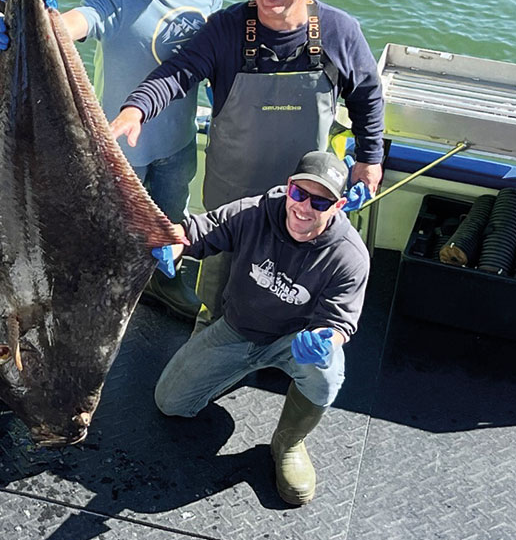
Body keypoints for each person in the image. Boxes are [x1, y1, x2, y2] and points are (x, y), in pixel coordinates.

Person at [113, 0, 383, 330]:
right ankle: (211, 341)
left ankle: (283, 353)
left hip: (306, 202)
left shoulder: (339, 32)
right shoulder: (228, 28)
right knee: (218, 294)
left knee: (295, 294)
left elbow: (367, 95)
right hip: (231, 200)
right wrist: (137, 108)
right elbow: (179, 72)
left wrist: (370, 158)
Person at [151, 151, 369, 506]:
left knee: (328, 370)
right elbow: (201, 230)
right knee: (170, 402)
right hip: (238, 329)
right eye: (299, 194)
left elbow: (341, 321)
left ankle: (288, 442)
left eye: (320, 200)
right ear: (288, 188)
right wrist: (175, 244)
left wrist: (327, 339)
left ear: (339, 204)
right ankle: (235, 369)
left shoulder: (350, 256)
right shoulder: (256, 212)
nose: (304, 207)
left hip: (294, 342)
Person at [53, 0, 224, 320]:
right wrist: (44, 18)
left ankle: (163, 284)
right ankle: (104, 303)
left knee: (169, 223)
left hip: (179, 140)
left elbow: (217, 46)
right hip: (120, 150)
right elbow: (81, 20)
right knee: (112, 234)